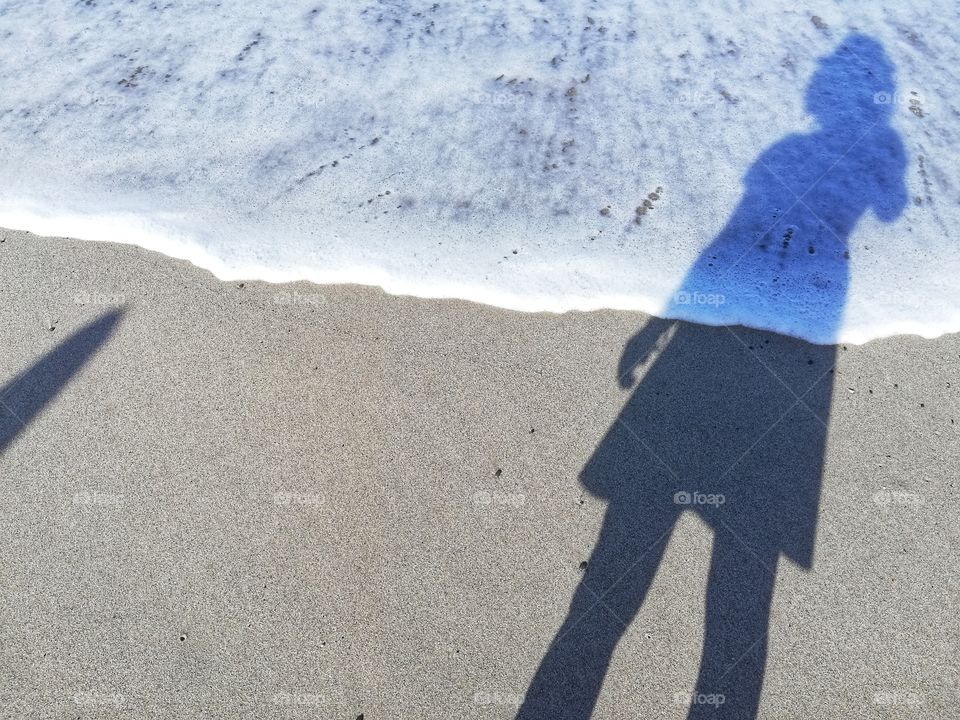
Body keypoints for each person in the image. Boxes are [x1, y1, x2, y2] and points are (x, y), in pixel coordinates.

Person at [517, 34, 907, 719]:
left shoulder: (789, 151)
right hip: (801, 327)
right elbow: (895, 210)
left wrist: (661, 324)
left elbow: (730, 236)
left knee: (635, 552)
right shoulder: (862, 148)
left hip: (731, 337)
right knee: (744, 570)